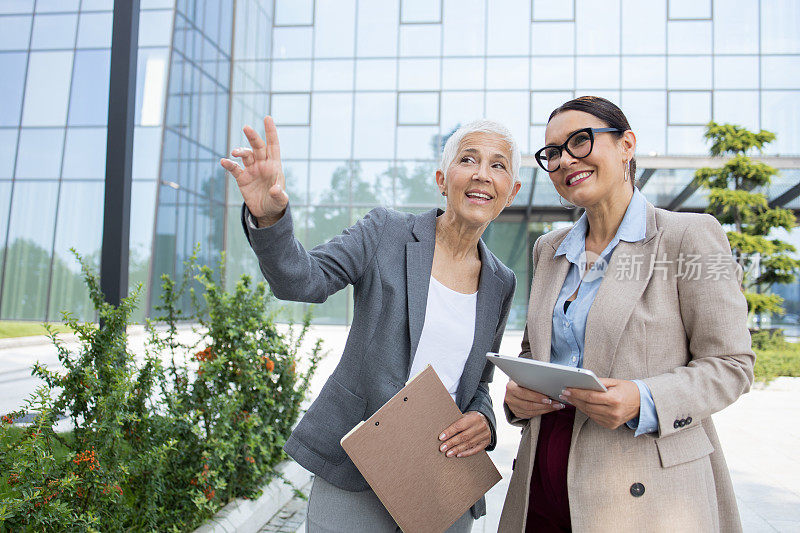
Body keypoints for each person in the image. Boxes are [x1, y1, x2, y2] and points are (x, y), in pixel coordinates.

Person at [220, 117, 521, 532]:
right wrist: (270, 220)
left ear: (512, 191)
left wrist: (485, 422)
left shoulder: (501, 281)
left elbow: (478, 383)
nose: (482, 174)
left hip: (442, 474)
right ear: (441, 178)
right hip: (359, 463)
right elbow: (304, 280)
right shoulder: (386, 232)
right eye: (468, 159)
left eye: (498, 165)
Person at [498, 96, 755, 532]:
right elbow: (535, 353)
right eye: (553, 152)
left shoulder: (686, 237)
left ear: (626, 145)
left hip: (645, 489)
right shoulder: (550, 249)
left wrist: (645, 399)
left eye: (581, 141)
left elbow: (732, 365)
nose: (565, 160)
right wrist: (517, 397)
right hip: (544, 474)